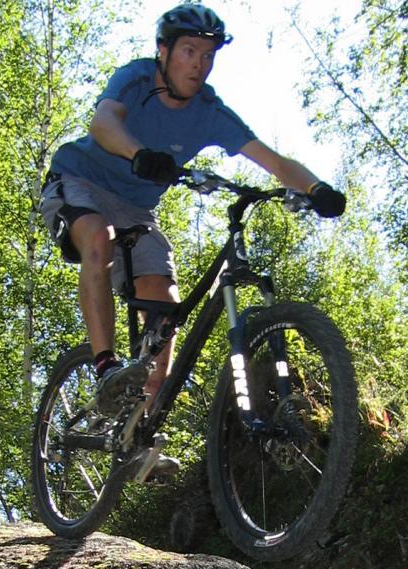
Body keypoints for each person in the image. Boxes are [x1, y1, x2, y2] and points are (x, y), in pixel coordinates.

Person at [38, 3, 346, 480]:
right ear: (164, 52)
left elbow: (273, 160)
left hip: (137, 211)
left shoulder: (208, 112)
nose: (198, 65)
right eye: (189, 51)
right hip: (79, 182)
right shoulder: (136, 80)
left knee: (167, 309)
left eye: (208, 55)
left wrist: (316, 189)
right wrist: (140, 154)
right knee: (97, 240)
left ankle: (137, 432)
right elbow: (103, 123)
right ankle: (103, 368)